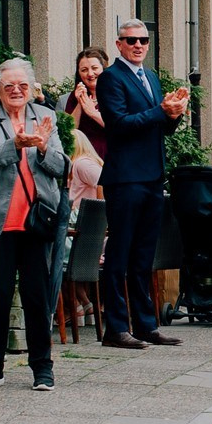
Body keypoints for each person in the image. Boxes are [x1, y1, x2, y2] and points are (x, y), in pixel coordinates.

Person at [0, 57, 67, 392]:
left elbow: (61, 166)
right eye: (10, 87)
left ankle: (43, 368)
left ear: (32, 89)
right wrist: (14, 145)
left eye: (23, 86)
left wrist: (39, 149)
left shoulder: (44, 116)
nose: (17, 91)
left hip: (35, 220)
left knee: (37, 297)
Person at [95, 19, 189, 350]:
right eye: (131, 40)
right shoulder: (110, 79)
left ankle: (146, 325)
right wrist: (160, 111)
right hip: (125, 177)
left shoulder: (150, 77)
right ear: (119, 44)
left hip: (152, 174)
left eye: (143, 40)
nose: (138, 46)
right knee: (119, 255)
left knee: (143, 256)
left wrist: (174, 115)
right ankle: (116, 328)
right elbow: (118, 125)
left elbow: (159, 126)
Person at [63, 47, 110, 162]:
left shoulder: (115, 93)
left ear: (103, 69)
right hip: (84, 158)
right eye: (84, 70)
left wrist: (93, 113)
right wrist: (80, 103)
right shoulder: (75, 96)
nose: (90, 74)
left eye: (94, 68)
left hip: (111, 154)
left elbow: (120, 127)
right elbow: (69, 131)